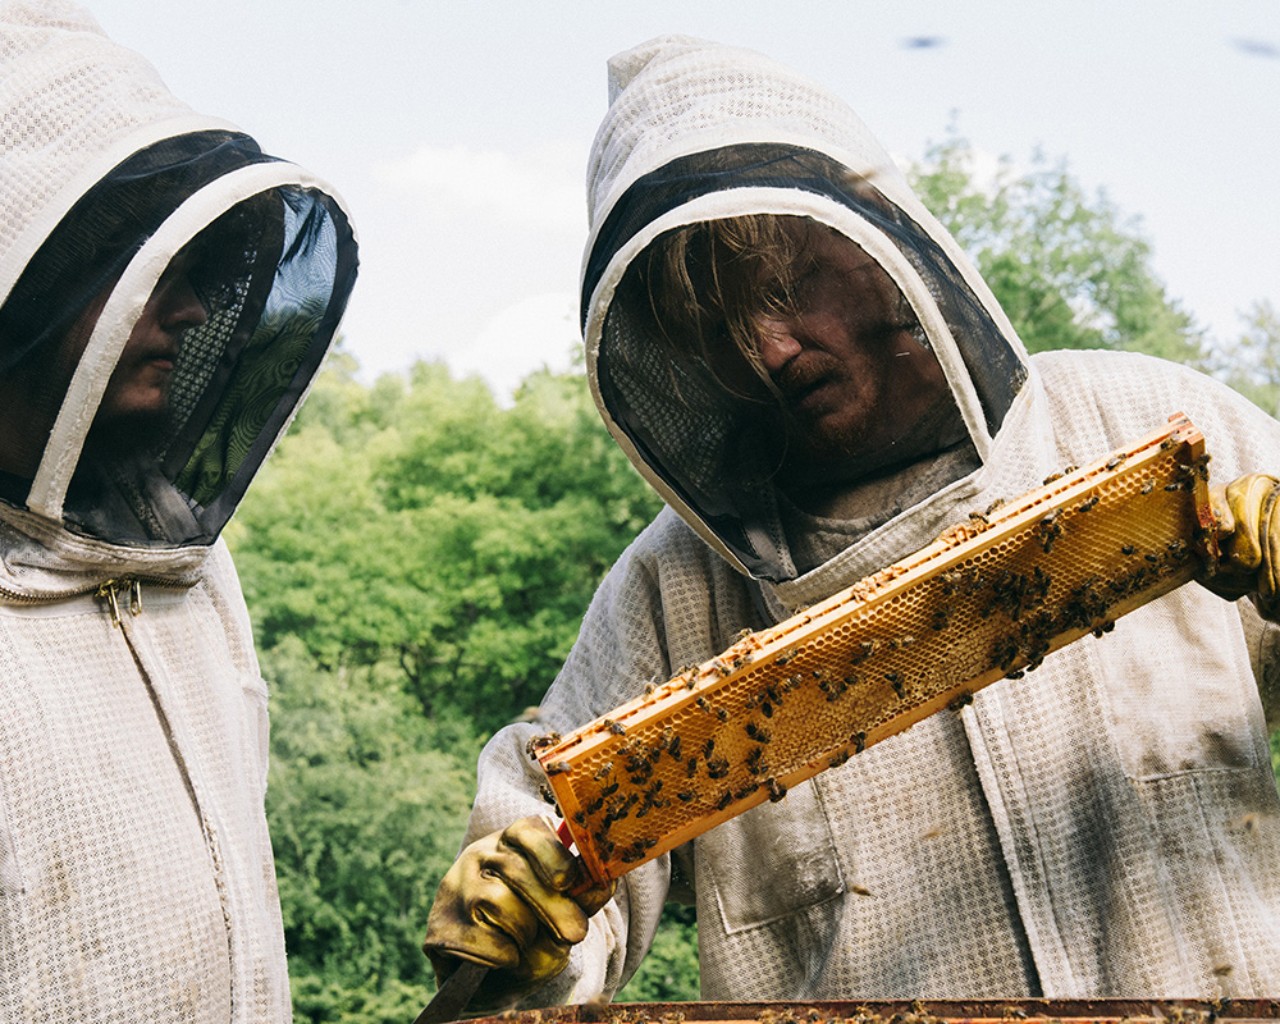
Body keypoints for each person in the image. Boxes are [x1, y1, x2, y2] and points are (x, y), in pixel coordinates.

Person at [424, 35, 1280, 1006]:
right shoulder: (671, 592)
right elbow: (546, 836)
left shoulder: (1142, 423)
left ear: (873, 241)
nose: (765, 348)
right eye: (714, 329)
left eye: (782, 287)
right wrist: (520, 913)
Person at [0, 2, 357, 1019]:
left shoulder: (188, 566)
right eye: (139, 255)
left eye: (200, 271)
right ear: (30, 259)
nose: (194, 308)